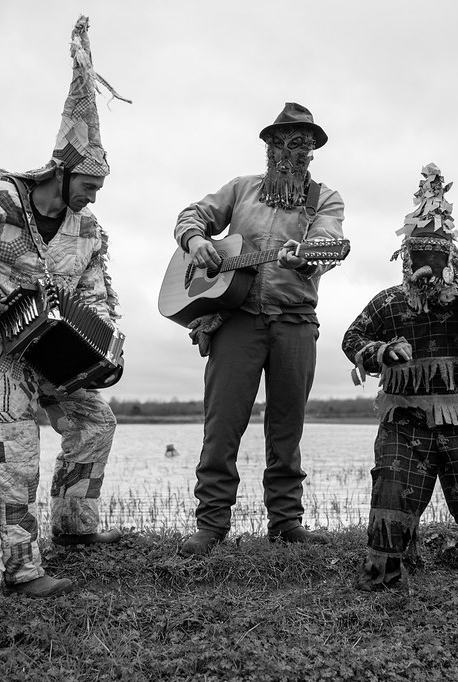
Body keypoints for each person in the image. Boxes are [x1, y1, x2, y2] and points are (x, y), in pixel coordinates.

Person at [0, 16, 128, 598]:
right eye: (88, 184)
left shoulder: (89, 229)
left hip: (53, 349)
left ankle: (74, 527)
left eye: (98, 188)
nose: (93, 196)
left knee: (96, 421)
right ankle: (17, 569)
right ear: (60, 172)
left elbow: (93, 290)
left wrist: (103, 337)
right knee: (16, 444)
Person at [173, 102, 346, 557]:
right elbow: (192, 215)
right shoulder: (240, 189)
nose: (290, 153)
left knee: (287, 429)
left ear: (311, 152)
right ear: (268, 147)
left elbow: (329, 241)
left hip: (295, 322)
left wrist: (307, 254)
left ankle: (286, 523)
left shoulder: (325, 198)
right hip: (236, 322)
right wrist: (197, 243)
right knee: (222, 426)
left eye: (300, 145)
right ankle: (211, 525)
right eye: (281, 144)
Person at [341, 163, 458, 591]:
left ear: (451, 259)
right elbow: (352, 338)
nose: (424, 269)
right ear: (406, 260)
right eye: (416, 260)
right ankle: (387, 571)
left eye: (433, 261)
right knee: (395, 490)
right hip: (404, 420)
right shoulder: (388, 303)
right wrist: (381, 352)